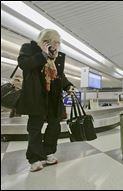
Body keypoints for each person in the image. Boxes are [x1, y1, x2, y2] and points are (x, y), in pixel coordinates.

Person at [15, 29, 75, 172]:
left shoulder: (57, 56)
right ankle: (34, 158)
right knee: (35, 128)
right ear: (45, 41)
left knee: (54, 126)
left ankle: (48, 152)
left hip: (53, 97)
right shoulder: (28, 48)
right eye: (54, 42)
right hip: (36, 95)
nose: (56, 46)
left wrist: (68, 86)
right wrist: (43, 54)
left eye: (58, 43)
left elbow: (60, 75)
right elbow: (24, 64)